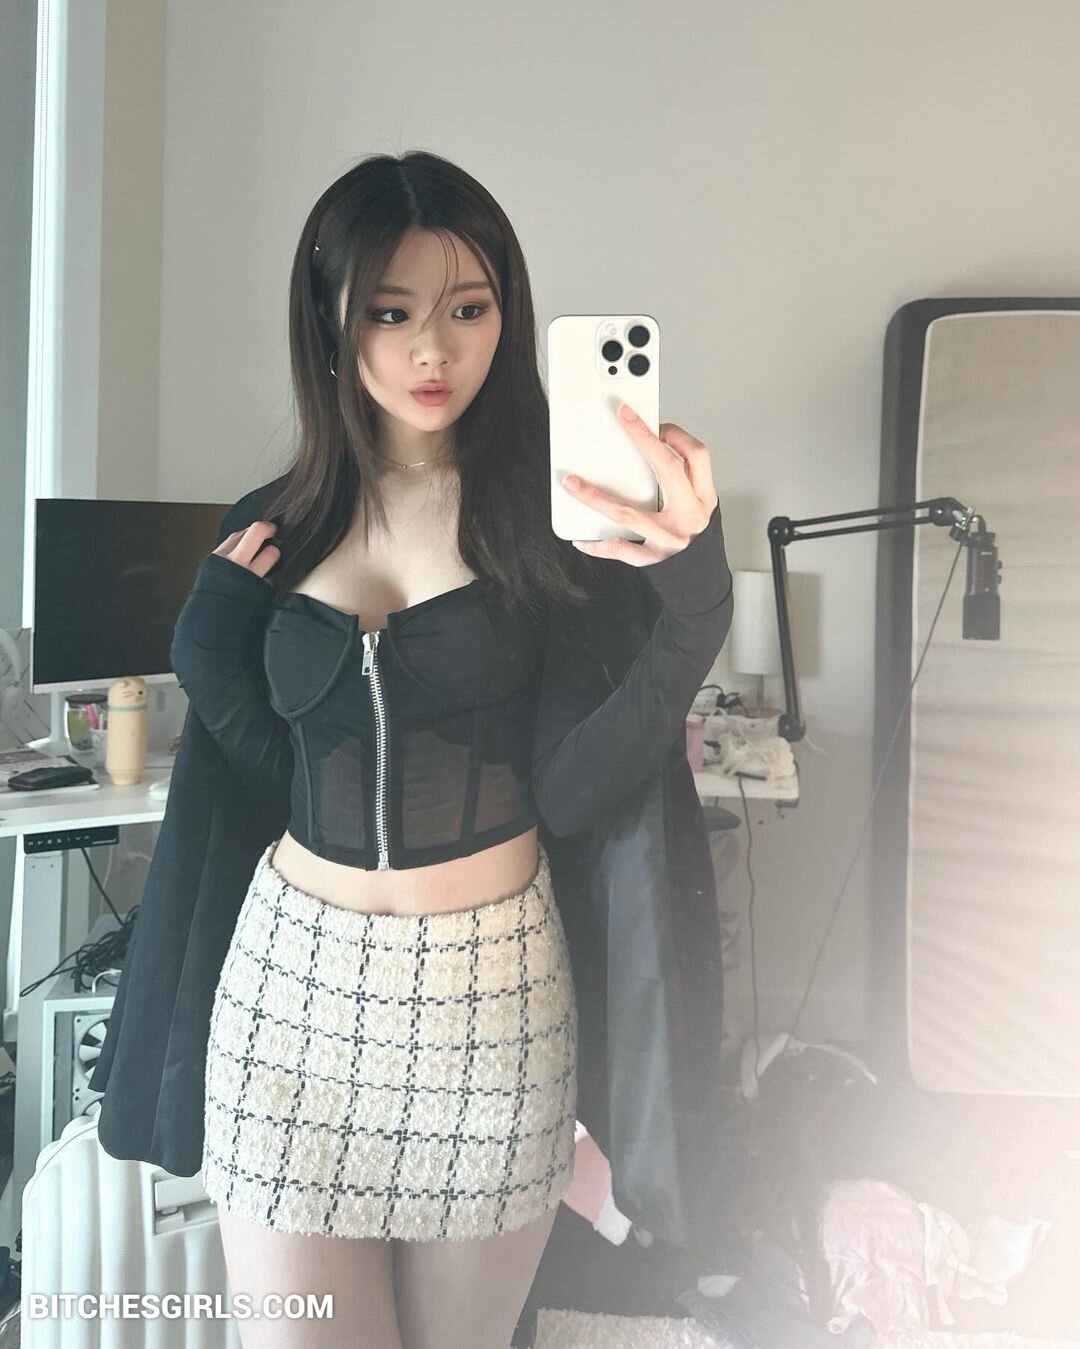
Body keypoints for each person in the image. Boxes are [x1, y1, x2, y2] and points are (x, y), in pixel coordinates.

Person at [90, 150, 734, 1349]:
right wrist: (206, 652)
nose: (432, 350)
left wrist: (695, 604)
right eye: (389, 313)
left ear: (508, 317)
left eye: (467, 309)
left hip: (492, 1001)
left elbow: (575, 789)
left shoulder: (558, 524)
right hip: (291, 991)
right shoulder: (273, 525)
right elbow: (277, 781)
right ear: (330, 324)